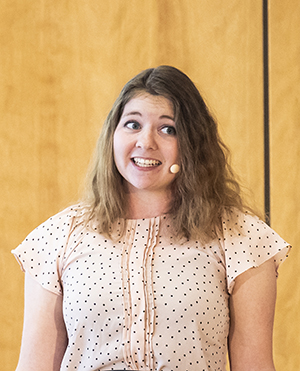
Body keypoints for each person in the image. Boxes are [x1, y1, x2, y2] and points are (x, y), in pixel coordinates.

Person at [12, 65, 290, 371]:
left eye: (168, 129)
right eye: (132, 124)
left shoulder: (242, 238)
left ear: (193, 144)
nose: (146, 141)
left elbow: (255, 365)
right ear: (112, 136)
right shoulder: (57, 237)